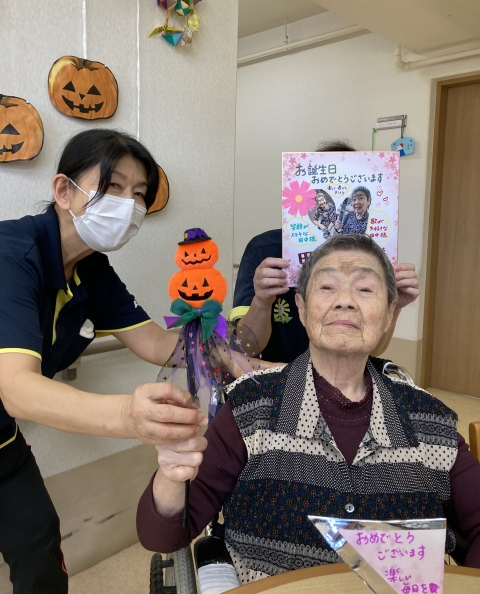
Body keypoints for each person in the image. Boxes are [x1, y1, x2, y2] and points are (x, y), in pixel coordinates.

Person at [137, 234, 480, 583]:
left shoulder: (431, 421)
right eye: (327, 287)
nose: (345, 301)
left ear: (390, 313)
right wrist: (172, 472)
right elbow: (163, 537)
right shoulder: (250, 408)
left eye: (365, 289)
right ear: (301, 308)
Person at [0, 129, 209, 593]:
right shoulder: (11, 253)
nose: (129, 205)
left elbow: (156, 342)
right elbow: (16, 388)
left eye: (139, 194)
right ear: (63, 190)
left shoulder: (91, 268)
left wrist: (233, 352)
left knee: (38, 546)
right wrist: (130, 416)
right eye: (114, 186)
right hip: (8, 413)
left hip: (2, 442)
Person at [230, 141, 418, 363]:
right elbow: (245, 348)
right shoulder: (266, 252)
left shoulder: (372, 259)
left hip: (343, 380)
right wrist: (262, 302)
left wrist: (394, 306)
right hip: (274, 378)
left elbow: (373, 349)